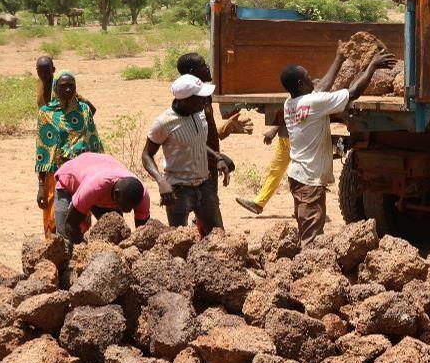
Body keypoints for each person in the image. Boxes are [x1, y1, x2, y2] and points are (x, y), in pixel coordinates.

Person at [281, 48, 392, 242]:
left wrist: (339, 58)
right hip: (309, 180)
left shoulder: (290, 103)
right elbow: (354, 92)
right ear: (300, 84)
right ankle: (310, 269)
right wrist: (372, 66)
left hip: (300, 175)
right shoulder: (314, 102)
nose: (314, 79)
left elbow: (320, 89)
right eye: (308, 78)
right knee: (312, 237)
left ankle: (308, 263)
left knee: (308, 230)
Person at [144, 75, 232, 234]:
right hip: (178, 190)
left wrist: (217, 157)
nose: (205, 100)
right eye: (200, 97)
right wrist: (161, 182)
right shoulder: (164, 123)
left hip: (204, 185)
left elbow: (197, 143)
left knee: (218, 236)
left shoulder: (199, 113)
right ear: (185, 100)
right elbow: (146, 155)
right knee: (179, 240)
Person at [33, 70, 103, 236]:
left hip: (82, 175)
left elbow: (93, 142)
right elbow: (42, 151)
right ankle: (56, 256)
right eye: (63, 86)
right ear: (56, 88)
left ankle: (80, 257)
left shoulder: (84, 110)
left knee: (80, 218)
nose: (68, 90)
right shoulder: (46, 113)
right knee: (54, 220)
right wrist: (41, 187)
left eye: (71, 86)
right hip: (55, 174)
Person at [51, 151, 149, 241]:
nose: (128, 211)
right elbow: (70, 225)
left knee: (116, 232)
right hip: (69, 178)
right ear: (117, 194)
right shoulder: (93, 187)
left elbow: (143, 235)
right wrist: (85, 251)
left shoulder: (142, 193)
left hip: (99, 170)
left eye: (132, 207)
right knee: (64, 239)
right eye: (124, 206)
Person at [236, 108, 291, 216]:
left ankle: (303, 207)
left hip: (295, 137)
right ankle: (259, 204)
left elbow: (292, 107)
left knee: (298, 173)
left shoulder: (297, 96)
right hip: (284, 137)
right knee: (275, 171)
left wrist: (274, 129)